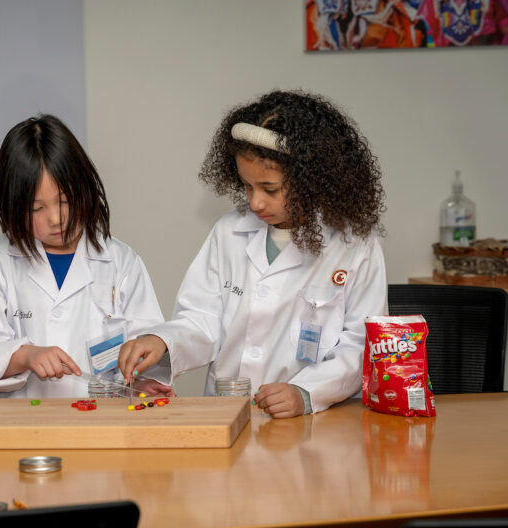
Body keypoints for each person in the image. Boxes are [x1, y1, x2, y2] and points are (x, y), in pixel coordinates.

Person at [119, 90, 387, 418]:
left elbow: (360, 343)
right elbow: (202, 319)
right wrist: (163, 341)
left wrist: (307, 392)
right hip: (226, 415)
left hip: (311, 427)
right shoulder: (229, 232)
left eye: (270, 189)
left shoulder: (353, 243)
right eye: (247, 186)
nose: (256, 202)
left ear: (312, 181)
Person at [0, 114, 171, 398]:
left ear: (87, 188)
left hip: (101, 427)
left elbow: (146, 341)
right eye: (36, 208)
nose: (56, 218)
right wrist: (24, 355)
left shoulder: (120, 263)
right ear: (12, 206)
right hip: (20, 428)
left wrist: (140, 380)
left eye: (65, 200)